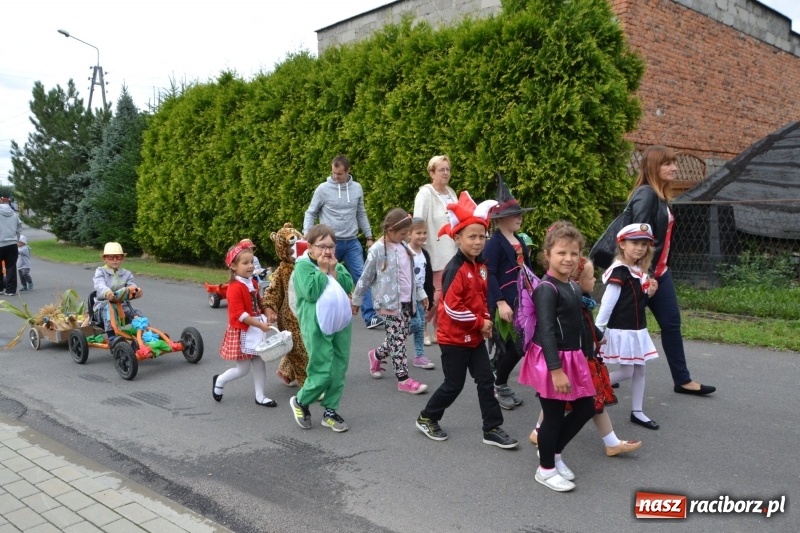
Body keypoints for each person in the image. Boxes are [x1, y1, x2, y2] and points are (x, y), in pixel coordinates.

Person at [415, 191, 518, 449]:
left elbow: (481, 300)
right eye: (471, 237)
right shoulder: (456, 268)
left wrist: (485, 319)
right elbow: (451, 308)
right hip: (453, 339)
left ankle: (492, 428)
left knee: (486, 380)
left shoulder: (481, 267)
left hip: (473, 338)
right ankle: (427, 417)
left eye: (481, 236)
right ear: (457, 237)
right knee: (454, 385)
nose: (478, 242)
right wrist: (479, 323)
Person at [530, 256, 642, 457]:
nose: (594, 281)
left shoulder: (582, 303)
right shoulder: (566, 300)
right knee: (566, 403)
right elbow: (552, 332)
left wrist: (598, 337)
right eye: (591, 277)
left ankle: (544, 437)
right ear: (578, 281)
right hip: (578, 362)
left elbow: (588, 327)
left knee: (576, 404)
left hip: (584, 360)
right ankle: (546, 445)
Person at [629, 145, 715, 396]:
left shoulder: (660, 197)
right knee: (618, 327)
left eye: (673, 163)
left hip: (660, 273)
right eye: (667, 164)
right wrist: (644, 275)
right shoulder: (645, 195)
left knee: (671, 324)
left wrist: (656, 272)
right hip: (641, 275)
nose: (674, 167)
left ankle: (683, 380)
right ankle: (591, 373)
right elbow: (637, 241)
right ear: (653, 167)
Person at [518, 222, 595, 492]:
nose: (568, 259)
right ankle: (546, 469)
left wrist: (592, 343)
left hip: (574, 357)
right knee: (553, 416)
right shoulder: (546, 289)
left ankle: (554, 452)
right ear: (547, 255)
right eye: (561, 252)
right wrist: (556, 369)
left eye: (574, 254)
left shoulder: (573, 287)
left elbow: (579, 320)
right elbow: (547, 331)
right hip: (552, 360)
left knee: (586, 407)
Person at [352, 209, 429, 394]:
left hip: (407, 301)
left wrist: (421, 294)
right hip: (389, 304)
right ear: (389, 230)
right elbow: (366, 276)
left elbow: (411, 275)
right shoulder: (377, 250)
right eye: (402, 234)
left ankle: (376, 355)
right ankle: (403, 379)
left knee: (398, 337)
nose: (404, 237)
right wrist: (357, 299)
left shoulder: (404, 247)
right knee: (398, 342)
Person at [303, 155, 382, 329]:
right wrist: (307, 233)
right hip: (330, 244)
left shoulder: (357, 189)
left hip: (352, 241)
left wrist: (369, 236)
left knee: (363, 276)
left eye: (339, 174)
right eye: (333, 173)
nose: (335, 177)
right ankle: (323, 313)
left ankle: (370, 317)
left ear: (348, 172)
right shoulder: (323, 189)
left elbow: (361, 213)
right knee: (326, 275)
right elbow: (311, 212)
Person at [290, 224, 355, 433]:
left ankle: (330, 411)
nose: (327, 251)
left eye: (331, 246)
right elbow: (311, 292)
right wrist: (322, 270)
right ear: (310, 247)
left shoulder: (335, 264)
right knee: (322, 369)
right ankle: (301, 401)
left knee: (339, 368)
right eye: (322, 246)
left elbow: (347, 285)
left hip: (341, 323)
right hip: (316, 325)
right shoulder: (303, 267)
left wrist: (334, 269)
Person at [595, 223, 660, 429]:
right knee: (628, 372)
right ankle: (591, 387)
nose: (640, 248)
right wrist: (597, 330)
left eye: (644, 244)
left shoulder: (637, 270)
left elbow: (636, 300)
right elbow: (608, 302)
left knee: (639, 370)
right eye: (634, 243)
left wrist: (649, 292)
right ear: (622, 244)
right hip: (623, 330)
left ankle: (637, 411)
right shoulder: (620, 271)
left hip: (637, 329)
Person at [484, 175, 534, 410]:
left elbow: (526, 270)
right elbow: (490, 275)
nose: (520, 218)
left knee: (521, 345)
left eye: (520, 214)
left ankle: (500, 382)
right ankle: (498, 384)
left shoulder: (519, 241)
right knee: (511, 345)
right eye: (515, 215)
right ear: (501, 218)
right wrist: (501, 303)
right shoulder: (493, 244)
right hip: (505, 304)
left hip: (522, 302)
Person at [212, 240, 277, 408]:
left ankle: (260, 396)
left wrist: (267, 313)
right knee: (243, 369)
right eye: (245, 263)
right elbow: (239, 314)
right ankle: (219, 380)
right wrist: (259, 324)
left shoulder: (253, 282)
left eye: (251, 262)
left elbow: (259, 302)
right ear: (233, 266)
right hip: (243, 331)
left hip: (255, 328)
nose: (250, 266)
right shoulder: (234, 288)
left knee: (259, 362)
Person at [413, 155, 458, 344]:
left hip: (453, 251)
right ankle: (422, 327)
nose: (446, 173)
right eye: (441, 170)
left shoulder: (451, 192)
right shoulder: (425, 193)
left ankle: (438, 329)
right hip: (434, 252)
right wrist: (418, 248)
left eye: (447, 169)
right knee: (436, 293)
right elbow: (418, 221)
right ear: (432, 172)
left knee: (447, 294)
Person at [93, 242, 144, 340]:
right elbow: (99, 284)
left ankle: (146, 334)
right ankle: (112, 337)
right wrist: (107, 292)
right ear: (105, 259)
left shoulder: (126, 274)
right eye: (111, 257)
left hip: (122, 305)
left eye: (118, 257)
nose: (115, 260)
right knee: (109, 312)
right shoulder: (100, 271)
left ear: (122, 258)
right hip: (102, 306)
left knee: (137, 314)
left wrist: (136, 291)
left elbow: (131, 286)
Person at [407, 217, 436, 368]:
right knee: (416, 324)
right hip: (406, 297)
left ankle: (419, 355)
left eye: (425, 232)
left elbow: (427, 276)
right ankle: (391, 343)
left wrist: (429, 296)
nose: (422, 236)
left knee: (420, 324)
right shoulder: (405, 251)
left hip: (421, 296)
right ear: (409, 233)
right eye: (418, 233)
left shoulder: (424, 253)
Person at [0, 197, 21, 296]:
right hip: (12, 244)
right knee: (11, 266)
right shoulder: (14, 214)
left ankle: (0, 288)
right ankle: (11, 290)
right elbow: (19, 227)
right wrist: (16, 238)